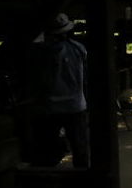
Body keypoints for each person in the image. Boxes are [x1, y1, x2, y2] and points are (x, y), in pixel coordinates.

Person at [28, 12, 89, 168]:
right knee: (79, 147)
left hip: (50, 108)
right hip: (76, 105)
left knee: (47, 148)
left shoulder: (43, 51)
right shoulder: (78, 48)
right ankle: (84, 181)